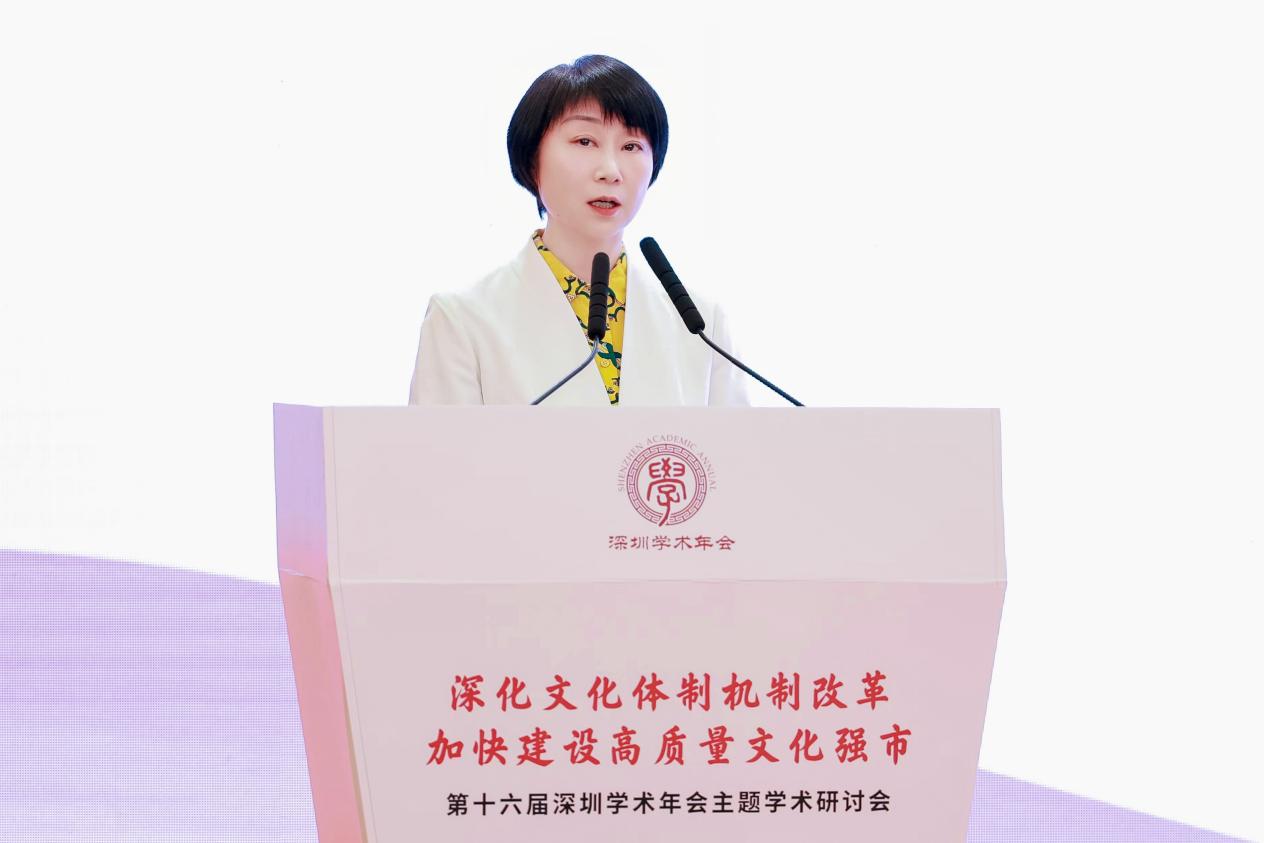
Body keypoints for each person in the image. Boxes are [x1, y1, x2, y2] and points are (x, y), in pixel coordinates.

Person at [408, 55, 748, 406]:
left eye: (631, 146)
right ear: (532, 158)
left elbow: (736, 442)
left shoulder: (703, 325)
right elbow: (441, 443)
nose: (610, 170)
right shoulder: (462, 320)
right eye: (585, 141)